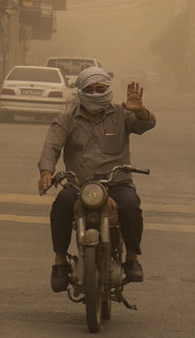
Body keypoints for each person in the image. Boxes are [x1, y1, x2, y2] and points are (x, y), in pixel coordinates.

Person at [37, 66, 156, 293]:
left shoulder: (122, 114)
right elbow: (51, 146)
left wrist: (140, 110)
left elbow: (145, 124)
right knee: (61, 204)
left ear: (108, 90)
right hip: (79, 184)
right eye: (89, 89)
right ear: (80, 91)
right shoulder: (67, 119)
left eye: (99, 89)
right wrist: (46, 172)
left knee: (131, 205)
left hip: (117, 183)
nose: (94, 94)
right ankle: (59, 262)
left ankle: (132, 258)